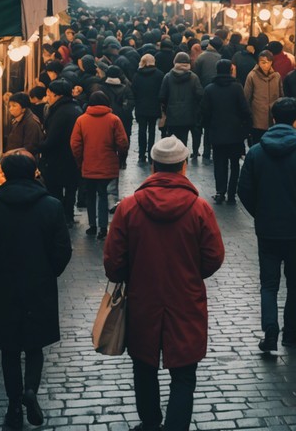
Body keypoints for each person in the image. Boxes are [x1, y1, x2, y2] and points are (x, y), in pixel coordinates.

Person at [103, 136, 224, 431]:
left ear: (153, 167)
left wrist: (130, 276)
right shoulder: (199, 208)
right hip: (186, 299)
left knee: (144, 367)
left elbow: (113, 262)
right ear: (183, 166)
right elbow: (214, 256)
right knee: (184, 374)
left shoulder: (129, 207)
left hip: (143, 299)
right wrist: (191, 275)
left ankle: (150, 422)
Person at [0, 150, 72, 430]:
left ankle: (14, 405)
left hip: (4, 288)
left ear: (5, 175)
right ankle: (31, 391)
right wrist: (49, 272)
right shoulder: (51, 206)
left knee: (9, 349)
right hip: (39, 285)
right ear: (34, 173)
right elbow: (63, 250)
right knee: (35, 345)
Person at [238, 97, 296, 351]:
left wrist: (261, 213)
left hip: (268, 230)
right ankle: (290, 334)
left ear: (273, 119)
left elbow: (245, 191)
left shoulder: (256, 152)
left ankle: (270, 331)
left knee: (268, 283)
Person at [70, 91, 129, 239]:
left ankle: (92, 225)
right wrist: (121, 158)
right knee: (103, 194)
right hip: (108, 163)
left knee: (90, 195)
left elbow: (75, 144)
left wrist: (80, 160)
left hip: (88, 163)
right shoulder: (114, 120)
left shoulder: (81, 120)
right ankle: (103, 227)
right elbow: (123, 143)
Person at [202, 60, 251, 204]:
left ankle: (220, 191)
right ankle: (231, 192)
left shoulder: (210, 89)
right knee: (234, 163)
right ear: (230, 70)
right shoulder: (237, 88)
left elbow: (205, 112)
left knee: (219, 163)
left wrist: (208, 128)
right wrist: (246, 129)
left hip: (217, 132)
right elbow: (245, 110)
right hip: (235, 133)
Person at [36, 79, 82, 228]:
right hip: (73, 158)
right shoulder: (75, 108)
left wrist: (38, 147)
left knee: (55, 190)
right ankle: (68, 216)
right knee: (70, 189)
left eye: (49, 94)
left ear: (58, 95)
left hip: (58, 158)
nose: (47, 97)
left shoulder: (61, 112)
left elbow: (53, 139)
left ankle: (60, 218)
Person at [159, 52, 204, 156]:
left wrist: (166, 109)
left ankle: (177, 159)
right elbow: (200, 94)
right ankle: (193, 153)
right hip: (190, 113)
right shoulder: (194, 77)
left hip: (172, 114)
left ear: (175, 62)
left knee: (176, 139)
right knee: (191, 135)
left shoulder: (168, 76)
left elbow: (162, 96)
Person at [244, 50, 284, 144]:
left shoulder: (276, 76)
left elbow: (281, 95)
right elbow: (246, 97)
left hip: (273, 118)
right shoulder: (252, 76)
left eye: (268, 62)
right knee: (258, 144)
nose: (266, 65)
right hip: (257, 119)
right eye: (263, 62)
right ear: (258, 62)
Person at [193, 36, 223, 163]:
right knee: (212, 123)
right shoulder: (220, 58)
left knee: (201, 122)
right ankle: (208, 148)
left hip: (203, 93)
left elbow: (196, 75)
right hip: (216, 93)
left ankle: (198, 150)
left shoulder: (201, 57)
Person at [131, 53, 165, 164]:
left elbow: (134, 92)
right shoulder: (159, 75)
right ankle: (151, 153)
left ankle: (141, 154)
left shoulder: (137, 75)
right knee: (152, 130)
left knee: (142, 130)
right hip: (154, 106)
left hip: (141, 107)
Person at [102, 65, 135, 144]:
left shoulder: (102, 88)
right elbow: (131, 101)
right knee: (124, 140)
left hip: (107, 118)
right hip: (124, 119)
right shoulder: (126, 88)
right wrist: (125, 110)